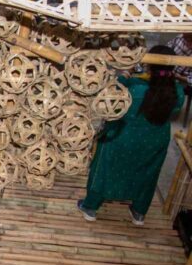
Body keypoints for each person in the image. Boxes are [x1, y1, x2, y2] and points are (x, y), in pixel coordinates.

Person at [78, 45, 186, 226]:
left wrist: (125, 74)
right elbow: (174, 109)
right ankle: (139, 212)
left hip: (122, 137)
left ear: (149, 64)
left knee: (105, 169)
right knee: (147, 175)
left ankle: (90, 207)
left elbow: (113, 96)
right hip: (155, 140)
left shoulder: (135, 88)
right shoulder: (177, 92)